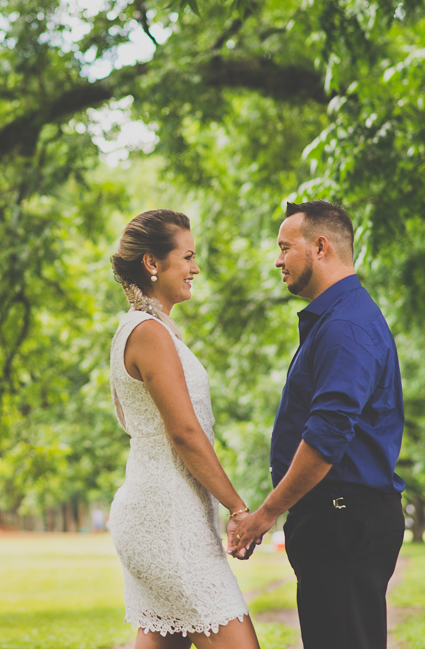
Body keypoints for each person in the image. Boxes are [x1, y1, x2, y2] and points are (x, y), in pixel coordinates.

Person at [230, 200, 405, 649]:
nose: (277, 259)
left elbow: (326, 437)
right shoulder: (338, 318)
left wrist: (264, 515)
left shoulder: (344, 326)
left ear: (320, 247)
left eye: (285, 247)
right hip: (337, 519)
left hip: (342, 523)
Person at [108, 209, 261, 649]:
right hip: (167, 519)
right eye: (188, 257)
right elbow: (185, 433)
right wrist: (237, 508)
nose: (196, 268)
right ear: (152, 264)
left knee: (164, 641)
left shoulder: (148, 330)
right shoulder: (149, 333)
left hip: (168, 511)